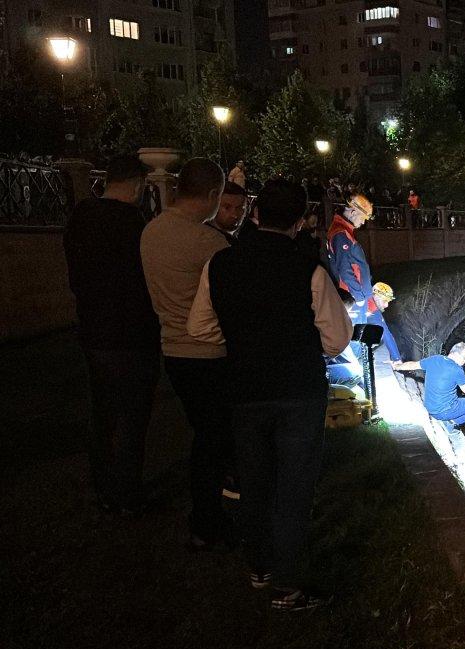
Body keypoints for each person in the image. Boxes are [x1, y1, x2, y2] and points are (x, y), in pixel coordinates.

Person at [188, 178, 352, 611]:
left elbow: (199, 328)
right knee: (293, 489)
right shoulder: (310, 271)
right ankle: (287, 585)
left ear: (254, 215)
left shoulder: (220, 265)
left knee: (253, 482)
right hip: (298, 392)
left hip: (243, 391)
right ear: (300, 222)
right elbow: (336, 339)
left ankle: (259, 566)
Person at [140, 157, 233, 550]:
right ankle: (207, 522)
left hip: (173, 352)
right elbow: (232, 301)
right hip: (210, 354)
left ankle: (213, 511)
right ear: (213, 194)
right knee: (215, 440)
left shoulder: (151, 231)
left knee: (206, 434)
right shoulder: (208, 242)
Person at [62, 155, 161, 514]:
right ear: (136, 184)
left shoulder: (80, 217)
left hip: (93, 330)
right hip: (132, 333)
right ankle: (126, 492)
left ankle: (101, 485)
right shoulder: (133, 223)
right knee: (133, 416)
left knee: (102, 412)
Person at [326, 193, 374, 322]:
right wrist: (359, 297)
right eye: (363, 218)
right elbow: (344, 269)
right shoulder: (341, 234)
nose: (363, 222)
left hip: (355, 295)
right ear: (353, 212)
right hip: (353, 297)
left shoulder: (343, 231)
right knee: (355, 336)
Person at [417, 342, 465, 428]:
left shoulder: (435, 359)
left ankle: (450, 420)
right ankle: (453, 423)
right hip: (444, 413)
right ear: (455, 354)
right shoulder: (457, 370)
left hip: (431, 408)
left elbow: (412, 365)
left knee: (454, 398)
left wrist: (398, 366)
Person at [367, 282, 402, 363]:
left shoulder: (374, 309)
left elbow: (386, 333)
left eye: (388, 301)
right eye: (384, 300)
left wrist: (396, 358)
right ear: (375, 296)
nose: (386, 305)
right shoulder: (360, 304)